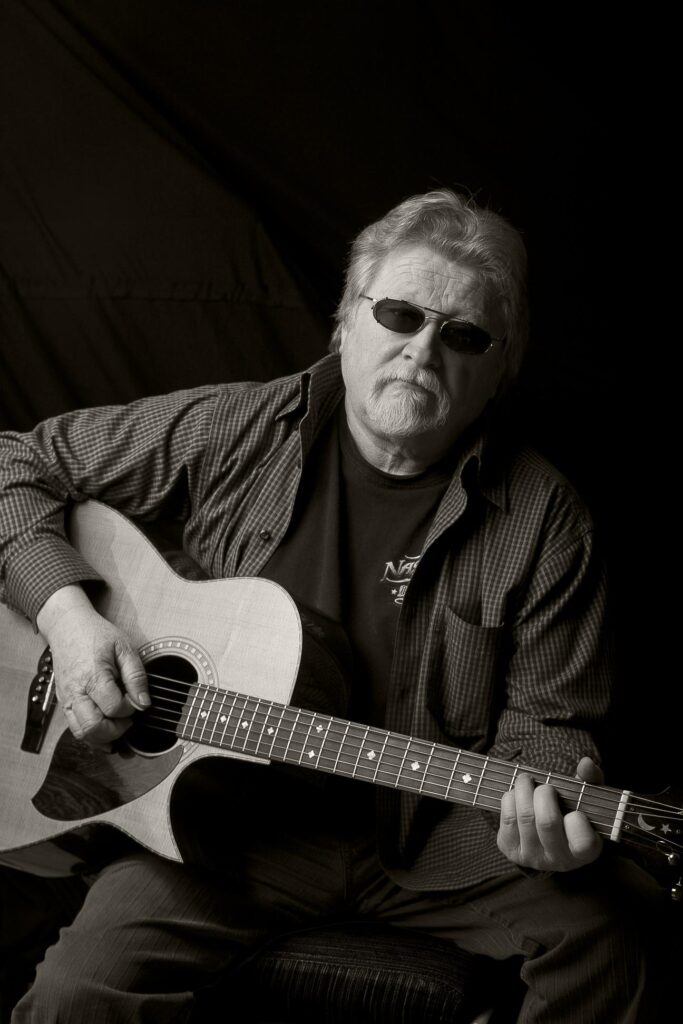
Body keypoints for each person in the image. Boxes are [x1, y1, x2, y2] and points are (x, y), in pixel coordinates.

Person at [0, 189, 663, 1022]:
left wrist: (545, 822)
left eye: (462, 335)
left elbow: (549, 724)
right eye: (398, 315)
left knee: (606, 942)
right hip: (220, 837)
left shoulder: (546, 521)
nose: (422, 350)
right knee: (76, 990)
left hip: (431, 841)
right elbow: (13, 464)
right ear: (346, 321)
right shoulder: (236, 428)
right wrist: (66, 615)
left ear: (501, 368)